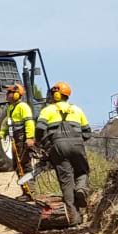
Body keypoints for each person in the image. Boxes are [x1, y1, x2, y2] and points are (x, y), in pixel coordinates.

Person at [36, 81, 93, 225]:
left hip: (58, 146)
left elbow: (39, 130)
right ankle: (81, 189)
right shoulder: (77, 110)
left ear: (56, 94)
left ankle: (74, 219)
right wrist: (77, 141)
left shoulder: (47, 110)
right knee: (82, 171)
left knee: (66, 182)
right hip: (77, 144)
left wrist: (45, 146)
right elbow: (87, 132)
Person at [0, 83, 37, 196]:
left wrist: (29, 138)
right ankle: (25, 190)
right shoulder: (11, 108)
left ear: (16, 95)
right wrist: (1, 133)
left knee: (25, 164)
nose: (7, 94)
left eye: (9, 92)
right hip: (15, 139)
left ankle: (31, 190)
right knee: (18, 165)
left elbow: (29, 123)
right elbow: (8, 124)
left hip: (22, 139)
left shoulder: (23, 107)